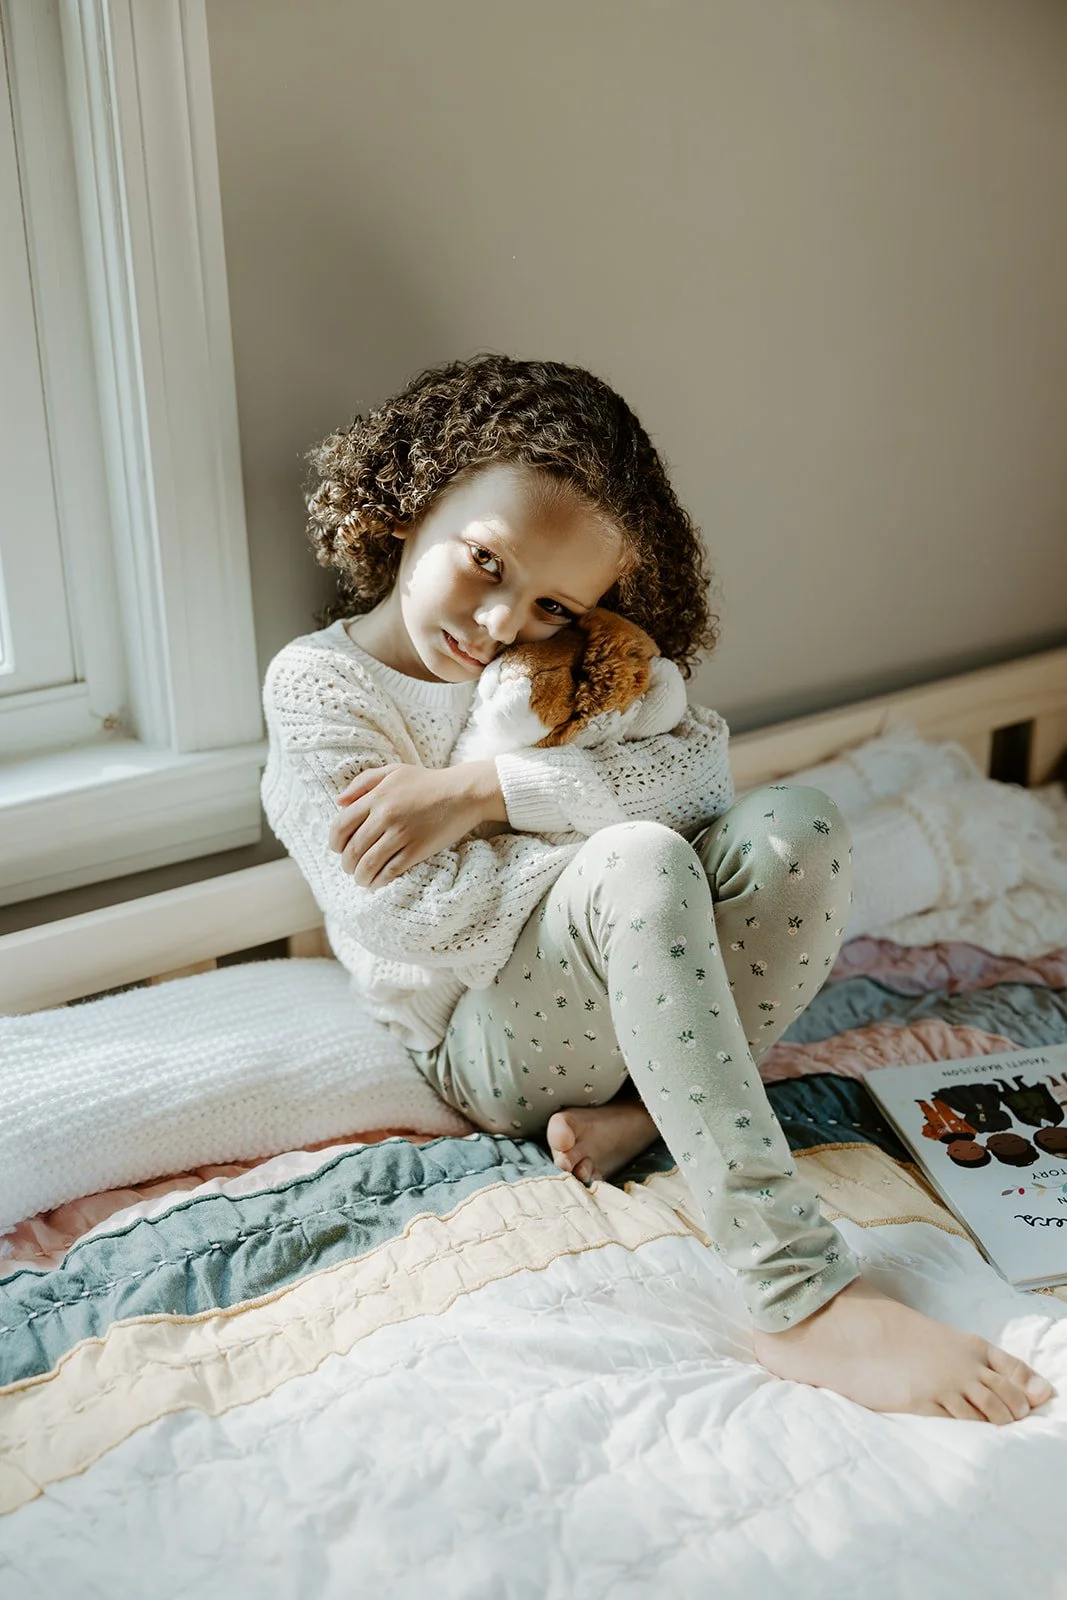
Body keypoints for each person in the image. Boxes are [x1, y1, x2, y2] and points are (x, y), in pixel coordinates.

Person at [261, 352, 1053, 1424]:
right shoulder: (320, 688)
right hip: (480, 1037)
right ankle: (795, 1290)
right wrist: (612, 839)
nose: (501, 625)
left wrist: (479, 790)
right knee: (641, 859)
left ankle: (639, 1113)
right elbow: (421, 912)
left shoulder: (550, 652)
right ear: (415, 494)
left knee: (798, 828)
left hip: (603, 983)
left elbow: (699, 774)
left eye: (548, 603)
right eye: (483, 562)